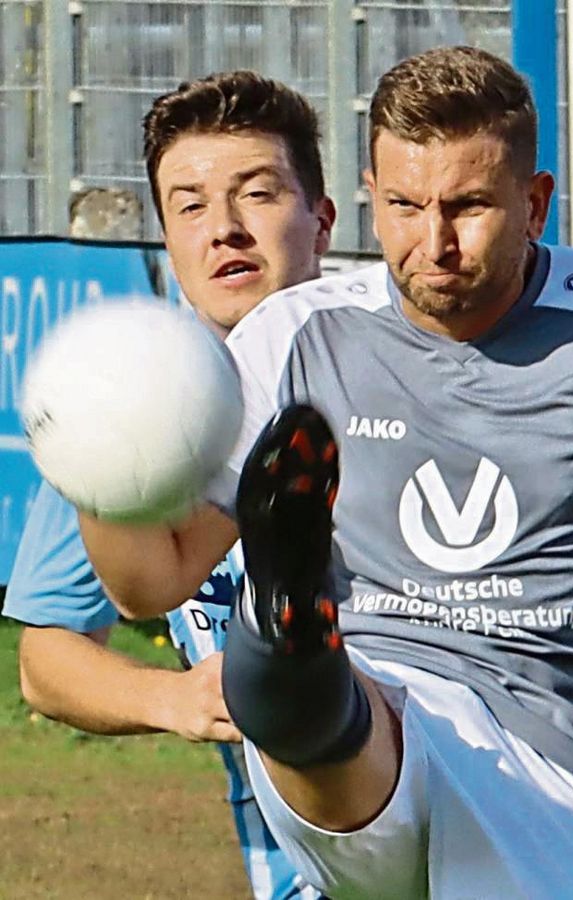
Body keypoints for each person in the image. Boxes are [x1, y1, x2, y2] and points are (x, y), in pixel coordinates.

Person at [73, 45, 573, 898]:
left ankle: (290, 640)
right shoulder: (296, 335)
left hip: (552, 766)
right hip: (372, 699)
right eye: (405, 207)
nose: (433, 242)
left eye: (467, 207)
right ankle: (290, 628)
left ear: (535, 203)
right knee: (334, 717)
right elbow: (148, 582)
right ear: (371, 197)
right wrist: (100, 460)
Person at [3, 70, 336, 900]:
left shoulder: (394, 369)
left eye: (257, 195)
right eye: (189, 206)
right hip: (292, 874)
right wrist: (176, 698)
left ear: (322, 220)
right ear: (166, 237)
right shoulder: (141, 423)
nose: (223, 230)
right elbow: (47, 660)